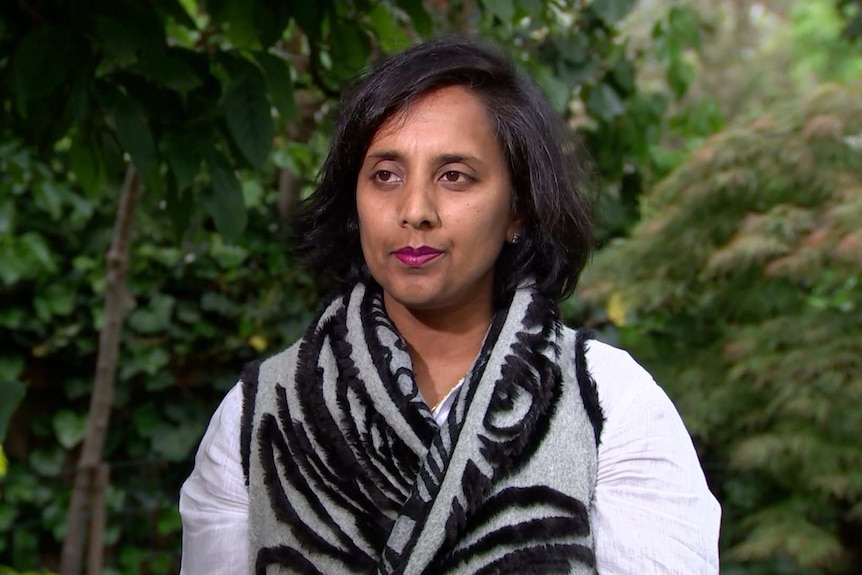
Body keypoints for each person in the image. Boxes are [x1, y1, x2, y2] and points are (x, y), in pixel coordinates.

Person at [179, 37, 721, 574]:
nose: (414, 210)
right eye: (386, 175)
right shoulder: (260, 415)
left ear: (517, 210)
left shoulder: (610, 403)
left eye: (454, 176)